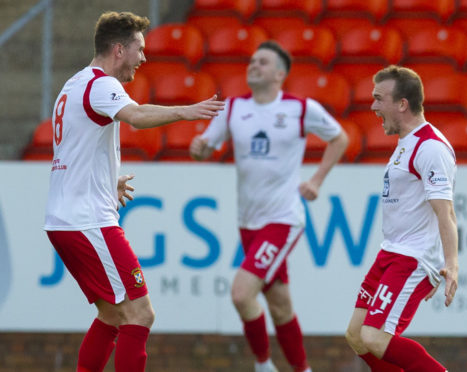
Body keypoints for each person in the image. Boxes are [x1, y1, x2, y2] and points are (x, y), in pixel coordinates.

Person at [43, 11, 224, 372]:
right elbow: (137, 117)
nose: (143, 58)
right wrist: (188, 111)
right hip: (89, 222)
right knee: (140, 314)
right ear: (118, 49)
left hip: (64, 221)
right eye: (139, 49)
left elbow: (72, 152)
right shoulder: (102, 85)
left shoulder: (73, 85)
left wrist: (108, 182)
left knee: (112, 314)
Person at [190, 40, 349, 372]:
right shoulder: (233, 108)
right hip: (247, 222)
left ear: (280, 73)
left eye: (262, 62)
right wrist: (199, 148)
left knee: (240, 294)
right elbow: (205, 147)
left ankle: (263, 366)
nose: (253, 65)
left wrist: (317, 181)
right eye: (251, 61)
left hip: (283, 218)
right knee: (279, 307)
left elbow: (340, 138)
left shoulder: (300, 108)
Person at [344, 65, 458, 372]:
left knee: (375, 337)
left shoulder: (430, 147)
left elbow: (445, 212)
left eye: (379, 98)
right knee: (356, 335)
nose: (373, 106)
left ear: (402, 104)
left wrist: (448, 265)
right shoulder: (407, 142)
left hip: (413, 258)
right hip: (391, 252)